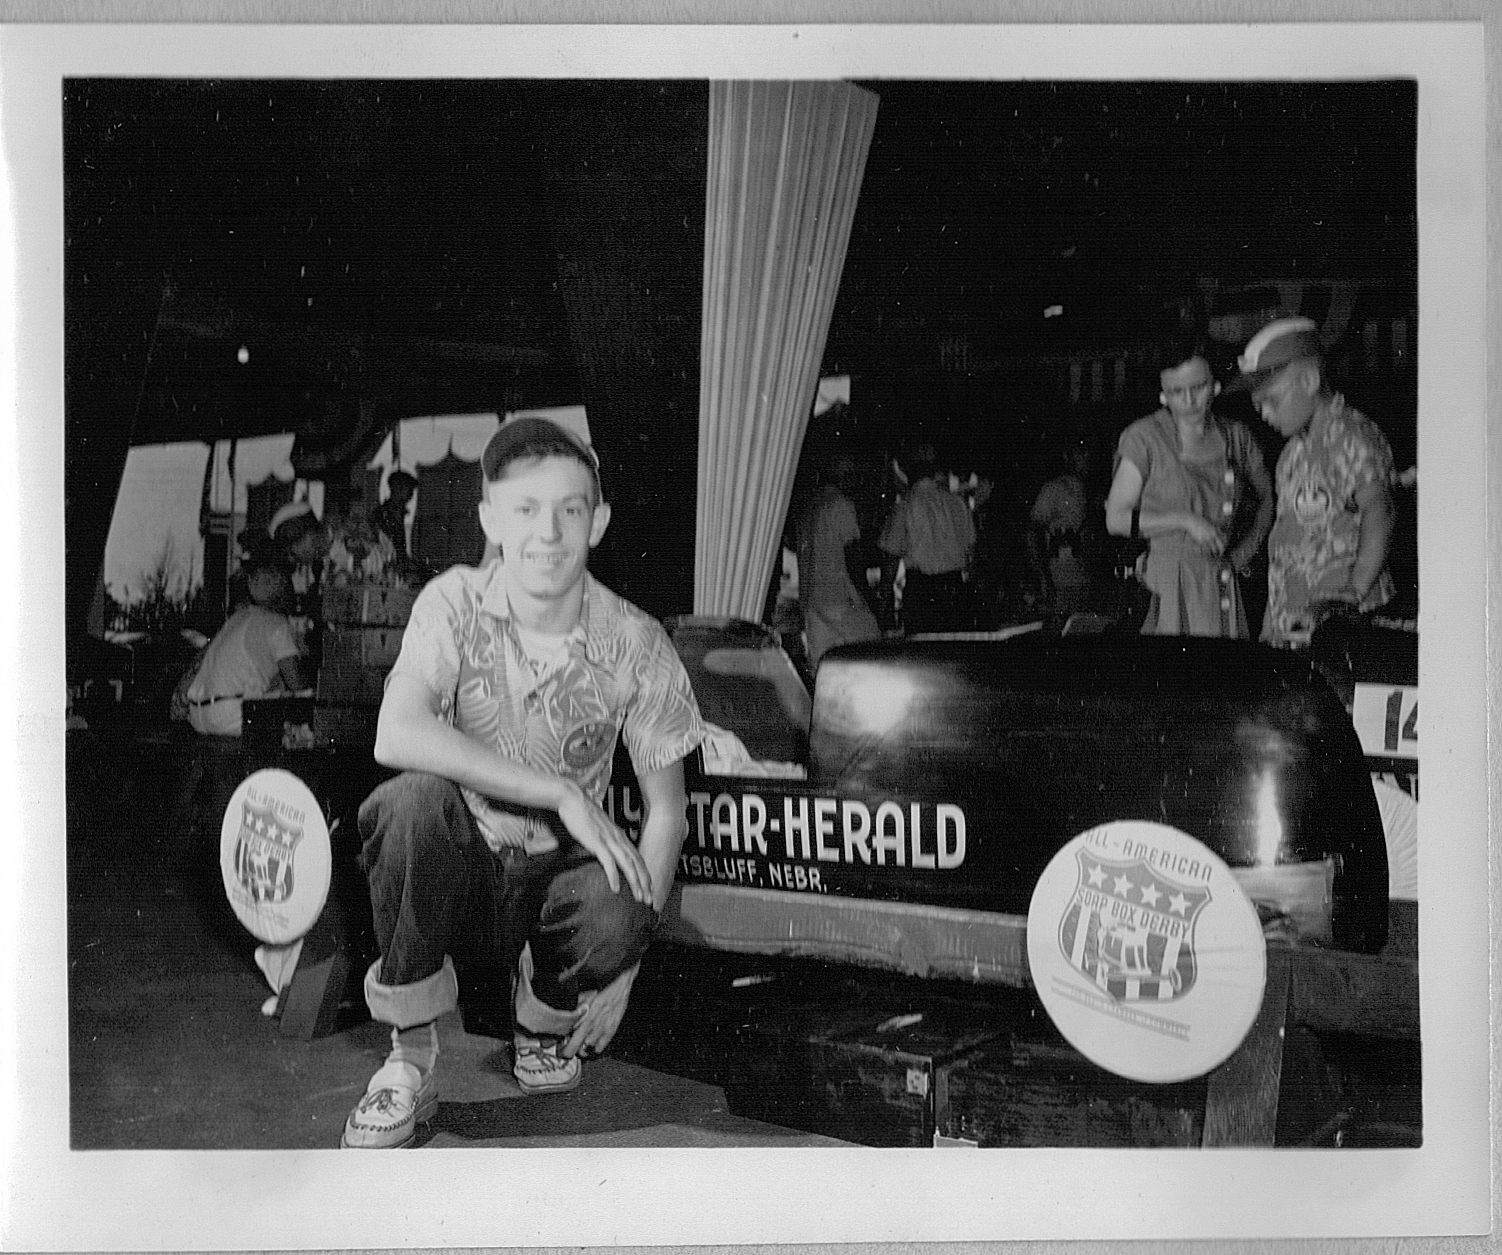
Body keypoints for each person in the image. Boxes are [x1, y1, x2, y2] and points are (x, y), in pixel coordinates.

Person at [341, 416, 704, 1150]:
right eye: (526, 510)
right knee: (408, 802)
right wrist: (560, 791)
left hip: (554, 885)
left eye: (570, 509)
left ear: (597, 520)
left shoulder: (636, 641)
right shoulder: (452, 602)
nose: (548, 532)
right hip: (462, 870)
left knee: (626, 891)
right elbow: (396, 731)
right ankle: (409, 1058)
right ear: (490, 519)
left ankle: (542, 1019)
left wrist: (625, 965)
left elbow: (668, 812)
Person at [1231, 315, 1397, 646]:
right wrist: (1270, 625)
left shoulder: (1352, 436)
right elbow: (1285, 547)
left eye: (1271, 400)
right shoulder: (1291, 454)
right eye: (1257, 404)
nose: (1263, 413)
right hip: (1294, 625)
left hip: (1340, 624)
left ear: (1308, 381)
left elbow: (1380, 512)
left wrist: (1354, 592)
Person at [1104, 341, 1274, 637]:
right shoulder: (1144, 438)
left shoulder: (1236, 436)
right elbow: (1116, 519)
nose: (1189, 400)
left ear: (1216, 386)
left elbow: (1268, 500)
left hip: (1221, 579)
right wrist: (1187, 521)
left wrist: (1243, 554)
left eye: (1198, 387)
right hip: (1166, 584)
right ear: (1162, 396)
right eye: (1176, 392)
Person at [183, 540, 312, 738]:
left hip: (198, 714)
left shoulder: (238, 618)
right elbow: (297, 684)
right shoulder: (275, 623)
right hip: (229, 715)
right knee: (300, 732)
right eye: (265, 577)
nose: (268, 583)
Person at [796, 450, 882, 668]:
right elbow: (852, 557)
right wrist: (869, 597)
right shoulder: (841, 505)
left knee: (825, 668)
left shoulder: (810, 506)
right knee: (869, 659)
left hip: (813, 603)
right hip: (840, 602)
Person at [878, 443, 976, 635]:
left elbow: (889, 564)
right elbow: (971, 556)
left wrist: (884, 608)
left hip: (922, 594)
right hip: (955, 591)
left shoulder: (904, 507)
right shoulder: (957, 503)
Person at [1026, 439, 1099, 624]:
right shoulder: (1054, 489)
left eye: (1087, 453)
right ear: (1068, 457)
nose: (1086, 458)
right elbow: (1033, 533)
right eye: (1080, 453)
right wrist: (1043, 576)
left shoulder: (1086, 491)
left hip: (1084, 579)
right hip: (1060, 581)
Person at [373, 470, 419, 562]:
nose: (411, 495)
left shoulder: (398, 513)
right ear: (398, 489)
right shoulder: (383, 514)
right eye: (409, 490)